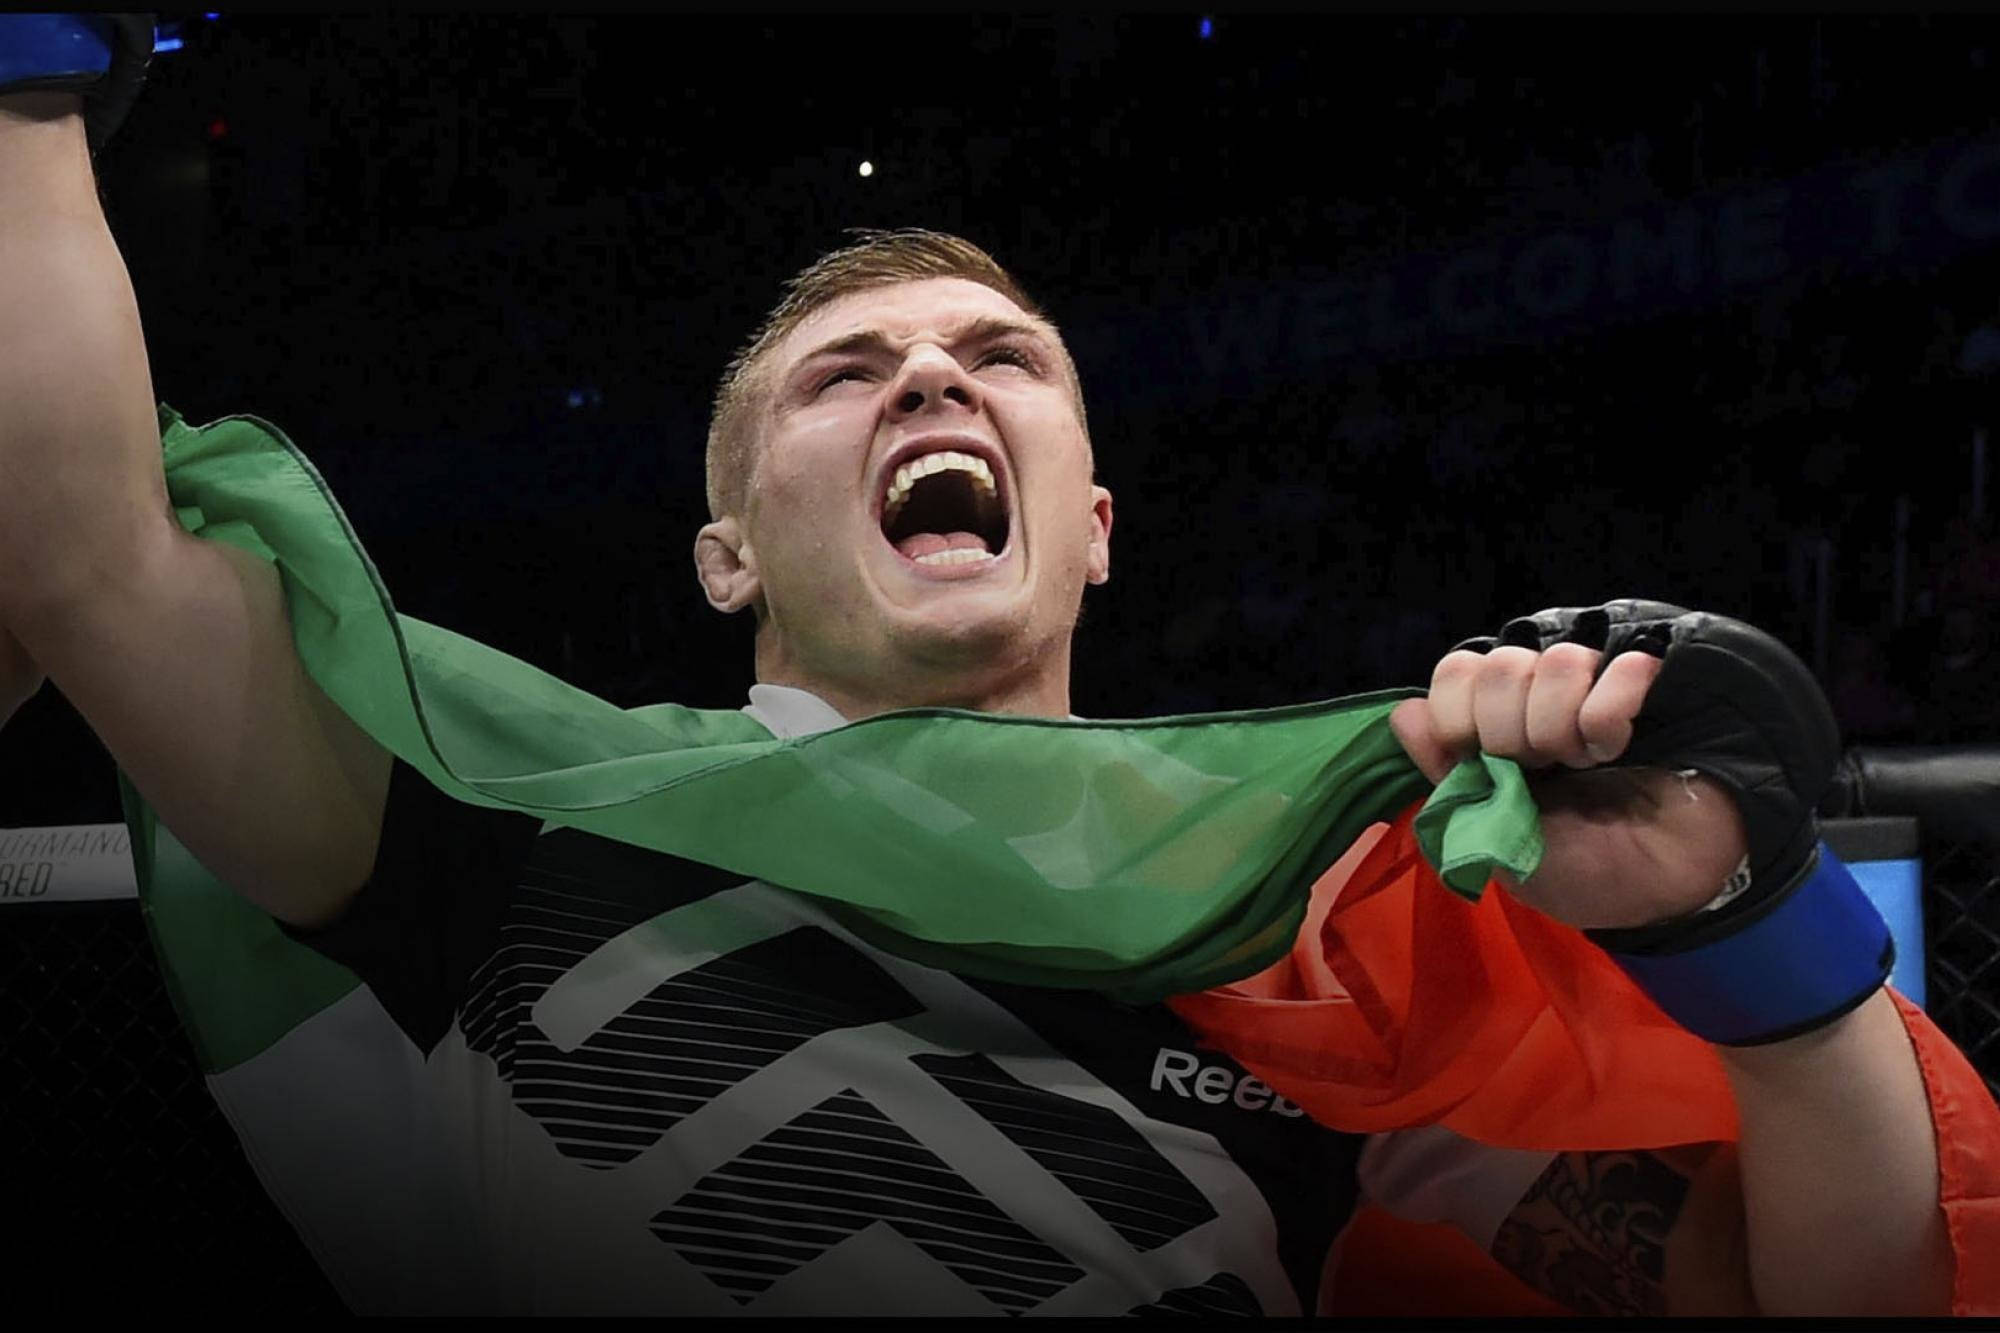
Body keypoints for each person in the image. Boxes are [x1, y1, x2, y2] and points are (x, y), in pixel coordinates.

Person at [0, 17, 1992, 1317]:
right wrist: (35, 74)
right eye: (840, 376)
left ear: (1094, 520)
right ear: (724, 549)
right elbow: (85, 553)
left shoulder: (1306, 934)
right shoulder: (488, 825)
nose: (932, 375)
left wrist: (1745, 925)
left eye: (999, 358)